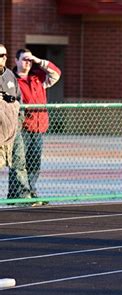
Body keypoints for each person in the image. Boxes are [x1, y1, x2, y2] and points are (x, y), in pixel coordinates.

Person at [12, 48, 61, 202]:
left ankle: (31, 192)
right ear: (16, 61)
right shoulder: (12, 81)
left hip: (38, 128)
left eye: (29, 60)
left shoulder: (38, 78)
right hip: (22, 128)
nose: (26, 63)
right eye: (24, 59)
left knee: (34, 163)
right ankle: (18, 194)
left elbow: (56, 73)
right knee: (20, 162)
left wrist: (38, 60)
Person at [0, 44, 21, 172]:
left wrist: (19, 121)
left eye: (5, 55)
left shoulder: (10, 75)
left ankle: (21, 193)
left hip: (12, 131)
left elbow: (18, 98)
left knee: (18, 164)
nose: (3, 58)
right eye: (0, 55)